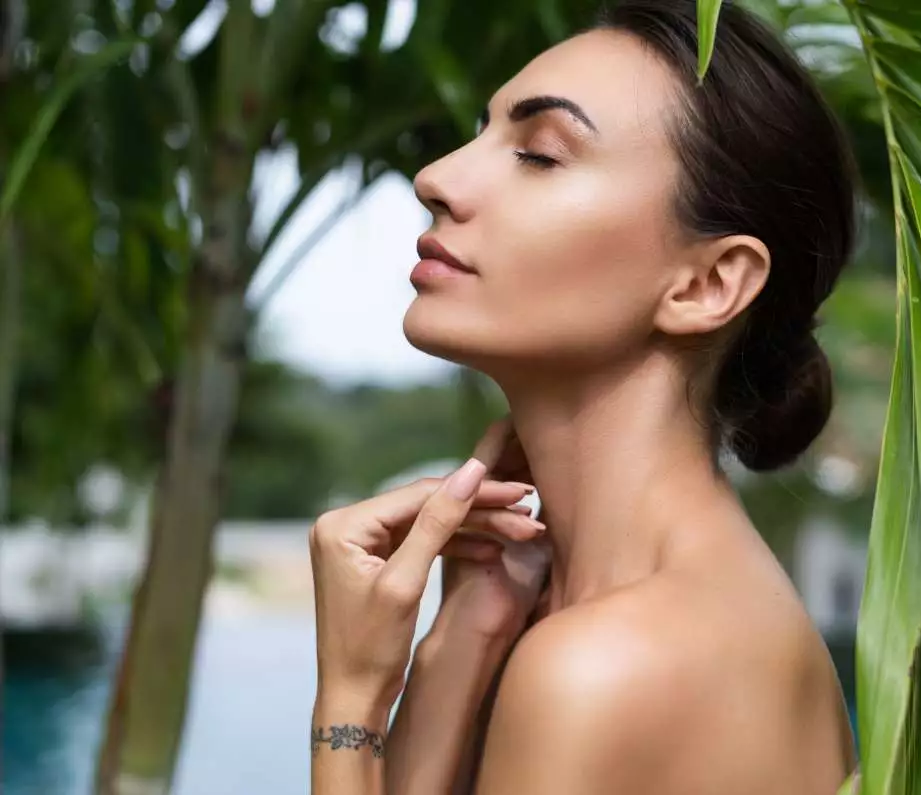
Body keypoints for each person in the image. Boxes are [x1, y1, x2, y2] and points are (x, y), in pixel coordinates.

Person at [310, 0, 859, 792]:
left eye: (539, 154)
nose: (437, 178)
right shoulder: (639, 613)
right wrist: (450, 654)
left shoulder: (604, 664)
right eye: (483, 132)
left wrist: (351, 701)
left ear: (708, 283)